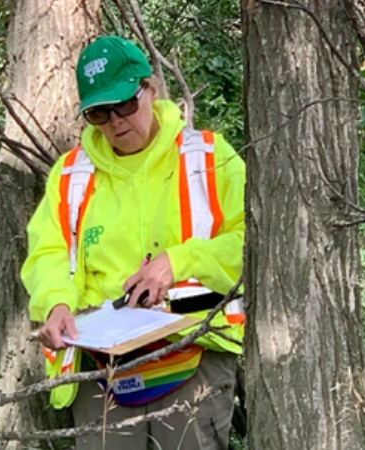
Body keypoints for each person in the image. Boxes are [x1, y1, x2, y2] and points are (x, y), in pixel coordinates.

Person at [21, 35, 245, 450]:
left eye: (125, 104)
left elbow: (252, 243)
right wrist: (55, 302)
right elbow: (47, 252)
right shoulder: (71, 175)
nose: (116, 122)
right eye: (99, 113)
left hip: (193, 353)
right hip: (102, 370)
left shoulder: (210, 158)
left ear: (151, 89)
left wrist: (179, 260)